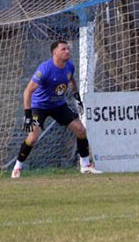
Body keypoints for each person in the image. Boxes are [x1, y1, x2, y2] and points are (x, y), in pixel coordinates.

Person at [12, 40, 101, 178]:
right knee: (33, 137)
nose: (67, 51)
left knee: (81, 130)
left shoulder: (69, 66)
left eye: (68, 49)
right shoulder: (45, 69)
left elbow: (71, 81)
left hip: (59, 105)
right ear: (55, 53)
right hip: (39, 106)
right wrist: (28, 115)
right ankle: (17, 167)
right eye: (63, 49)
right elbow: (27, 91)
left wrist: (77, 98)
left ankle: (85, 165)